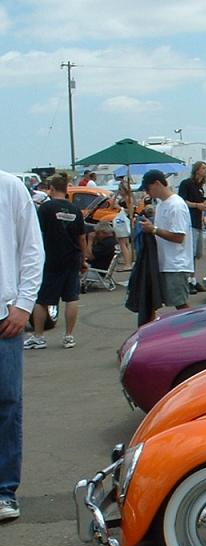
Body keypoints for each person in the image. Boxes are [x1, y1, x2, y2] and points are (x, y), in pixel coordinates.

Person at [0, 169, 44, 523]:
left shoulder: (9, 187)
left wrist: (24, 305)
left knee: (7, 404)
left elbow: (32, 249)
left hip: (4, 317)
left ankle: (4, 491)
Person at [24, 174, 88, 350]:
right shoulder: (75, 210)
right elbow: (82, 238)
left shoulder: (45, 208)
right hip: (72, 257)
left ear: (51, 189)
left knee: (42, 299)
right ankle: (69, 336)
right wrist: (83, 259)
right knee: (71, 297)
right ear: (66, 189)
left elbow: (36, 233)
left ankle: (39, 336)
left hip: (51, 258)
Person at [138, 169, 192, 310]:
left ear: (157, 184)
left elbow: (179, 237)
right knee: (165, 302)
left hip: (176, 264)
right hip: (164, 262)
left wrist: (153, 229)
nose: (147, 193)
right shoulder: (161, 204)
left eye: (148, 189)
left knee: (180, 303)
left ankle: (193, 323)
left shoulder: (176, 205)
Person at [178, 161, 206, 292]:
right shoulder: (186, 184)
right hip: (189, 222)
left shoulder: (200, 186)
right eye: (203, 168)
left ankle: (193, 279)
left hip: (198, 222)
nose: (205, 170)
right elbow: (182, 201)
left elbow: (200, 202)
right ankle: (187, 281)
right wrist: (197, 205)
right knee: (189, 253)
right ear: (197, 170)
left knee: (197, 253)